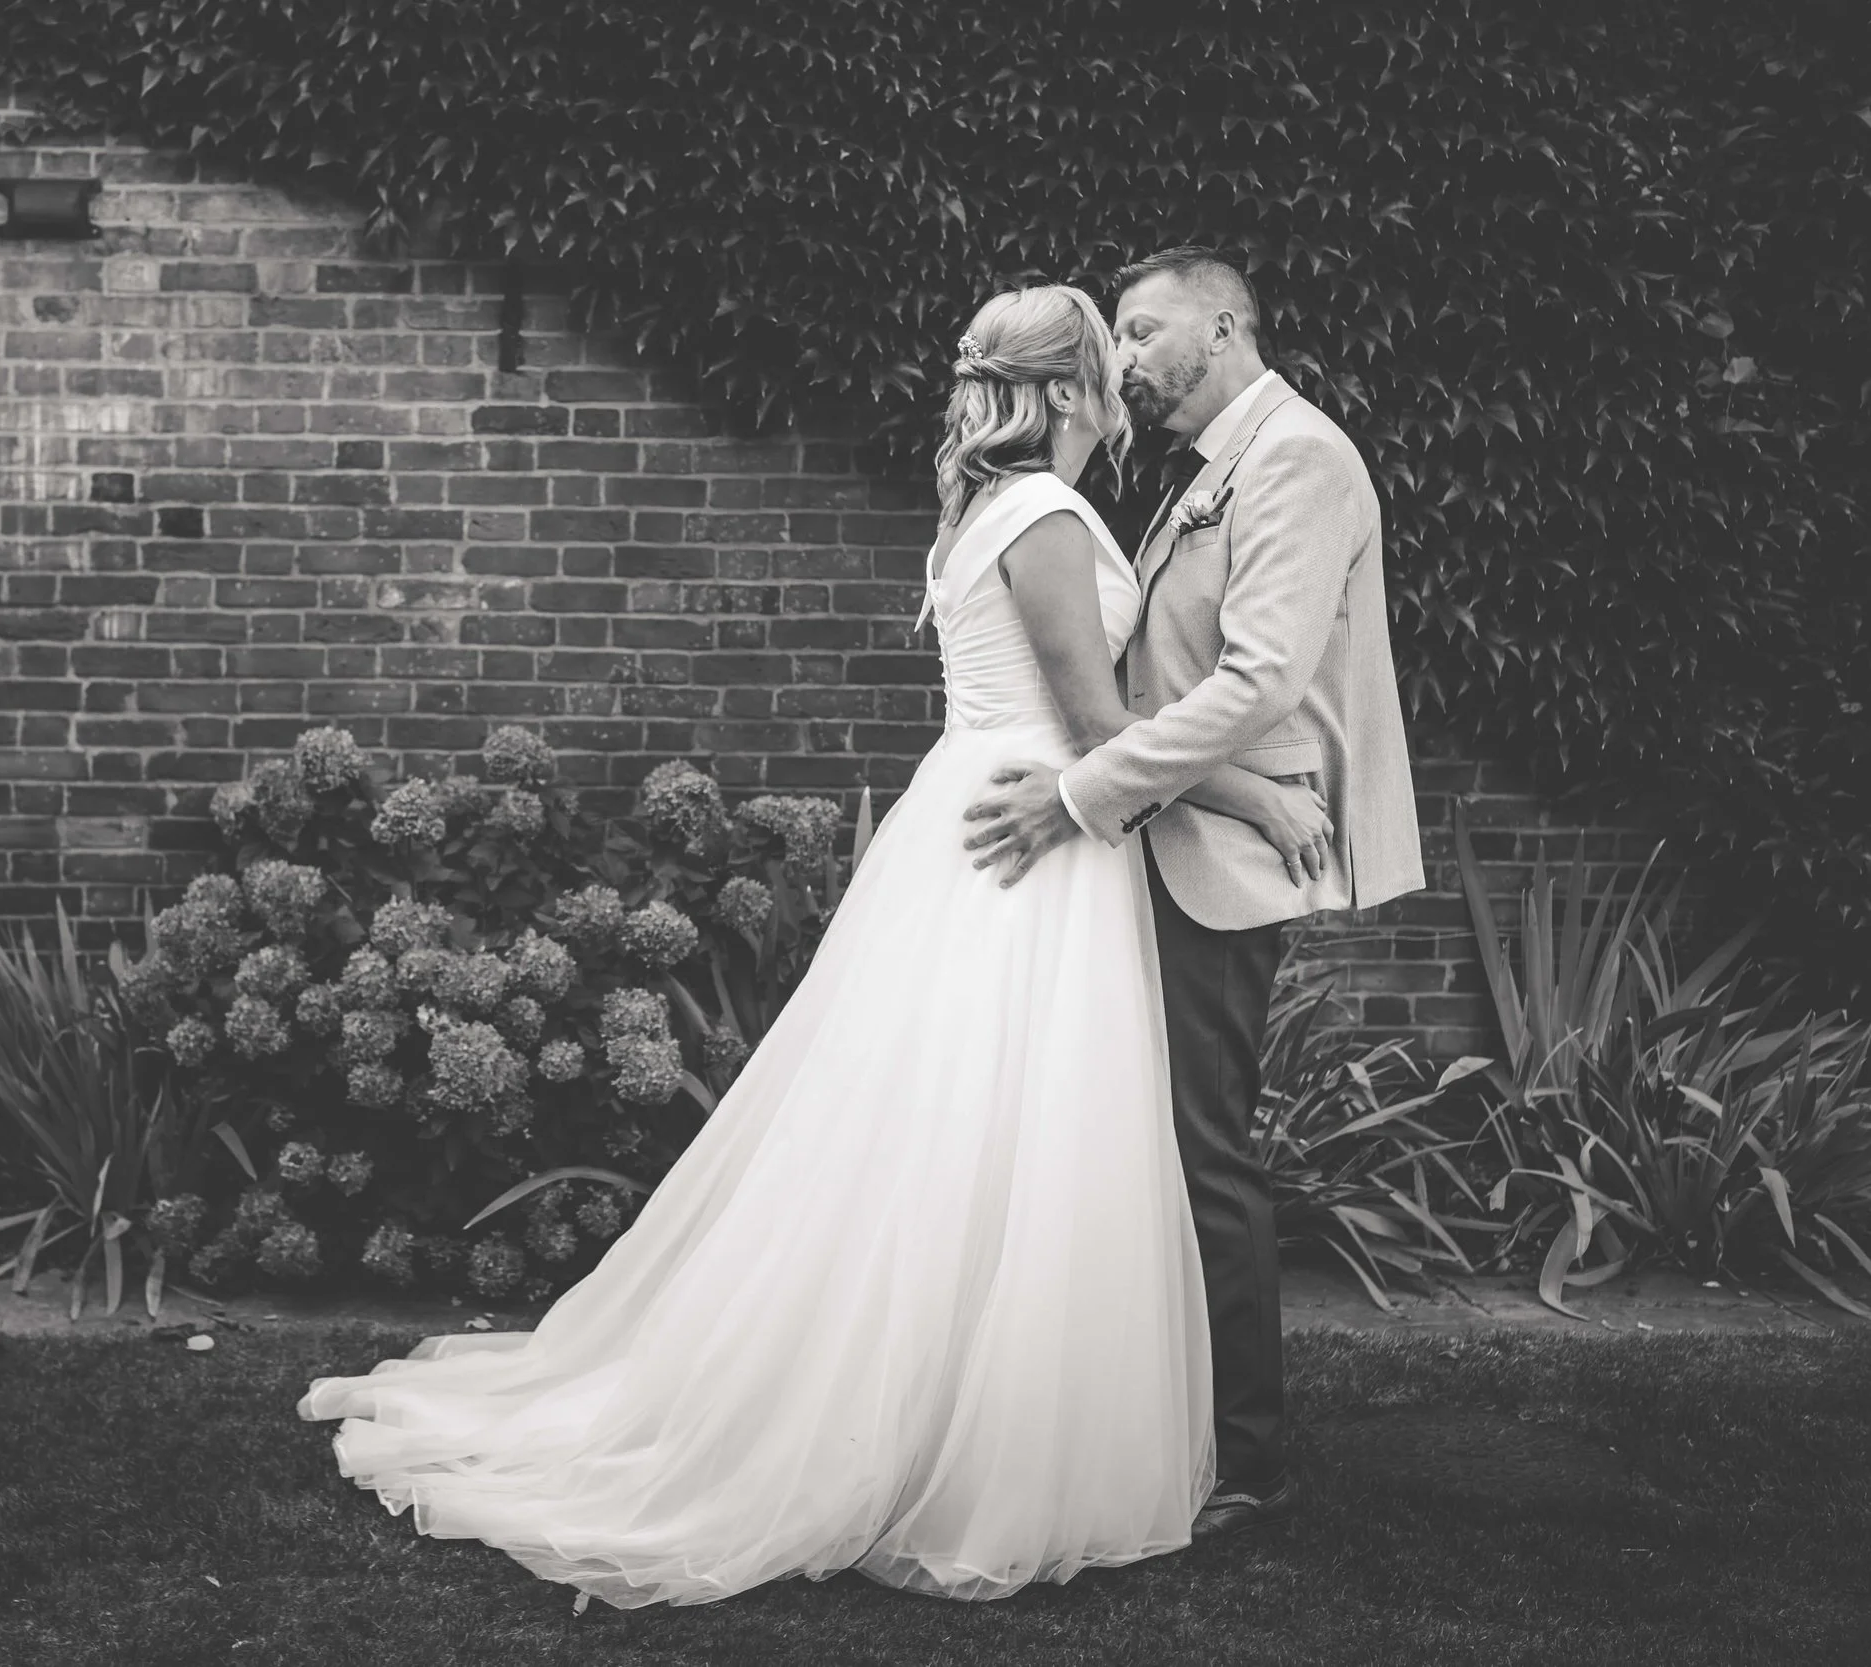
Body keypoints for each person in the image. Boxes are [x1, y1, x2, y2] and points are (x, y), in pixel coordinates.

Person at [297, 283, 1340, 1608]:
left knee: (950, 1147)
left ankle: (946, 1400)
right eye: (1114, 353)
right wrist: (1249, 788)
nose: (1132, 374)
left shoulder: (988, 512)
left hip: (980, 819)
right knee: (1009, 1145)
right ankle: (966, 1440)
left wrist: (1239, 787)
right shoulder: (1050, 517)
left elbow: (1105, 715)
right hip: (1032, 842)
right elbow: (1094, 724)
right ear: (1072, 392)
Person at [962, 248, 1425, 1538]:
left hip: (1206, 866)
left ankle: (1250, 1459)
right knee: (1146, 1145)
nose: (1124, 352)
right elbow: (1157, 681)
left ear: (1223, 327)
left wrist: (1083, 794)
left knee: (1208, 1152)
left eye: (1144, 327)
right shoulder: (1209, 465)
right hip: (1168, 837)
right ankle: (1153, 1418)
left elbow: (1258, 680)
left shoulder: (1297, 456)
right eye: (1113, 330)